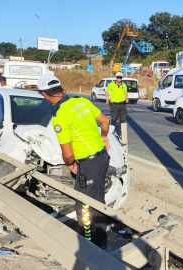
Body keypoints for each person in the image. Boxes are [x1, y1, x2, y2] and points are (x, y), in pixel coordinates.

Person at [37, 73, 111, 249]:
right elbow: (105, 120)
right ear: (62, 89)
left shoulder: (60, 115)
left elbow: (68, 154)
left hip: (89, 164)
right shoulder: (82, 102)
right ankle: (101, 238)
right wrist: (104, 136)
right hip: (102, 158)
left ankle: (92, 244)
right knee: (97, 198)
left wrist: (70, 163)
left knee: (84, 204)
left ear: (44, 94)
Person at [105, 72, 128, 138]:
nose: (119, 79)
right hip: (114, 105)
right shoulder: (111, 84)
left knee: (122, 120)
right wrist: (107, 100)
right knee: (114, 119)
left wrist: (126, 98)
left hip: (122, 105)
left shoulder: (124, 85)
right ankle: (110, 133)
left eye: (120, 77)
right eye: (118, 77)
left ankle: (120, 135)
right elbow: (106, 92)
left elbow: (125, 92)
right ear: (116, 77)